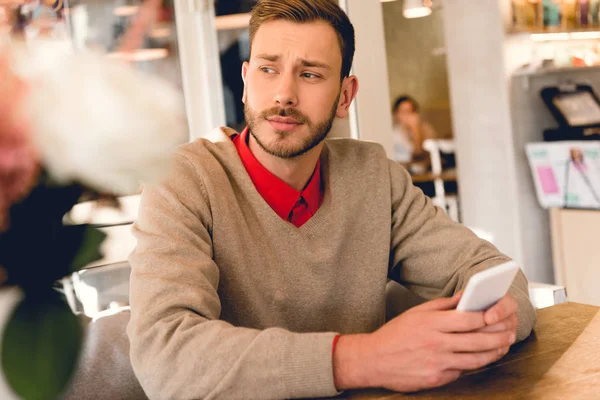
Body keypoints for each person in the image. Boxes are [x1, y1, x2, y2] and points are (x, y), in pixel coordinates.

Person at [127, 0, 536, 399]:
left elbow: (491, 272)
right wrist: (367, 358)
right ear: (247, 80)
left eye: (309, 75)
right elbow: (165, 357)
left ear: (345, 96)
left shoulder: (374, 175)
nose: (284, 93)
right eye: (269, 70)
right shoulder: (181, 179)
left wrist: (494, 321)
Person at [392, 95, 437, 165]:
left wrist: (416, 129)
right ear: (396, 114)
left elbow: (429, 155)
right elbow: (417, 155)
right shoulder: (395, 134)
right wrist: (415, 129)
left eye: (411, 111)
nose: (409, 116)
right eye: (404, 112)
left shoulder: (426, 128)